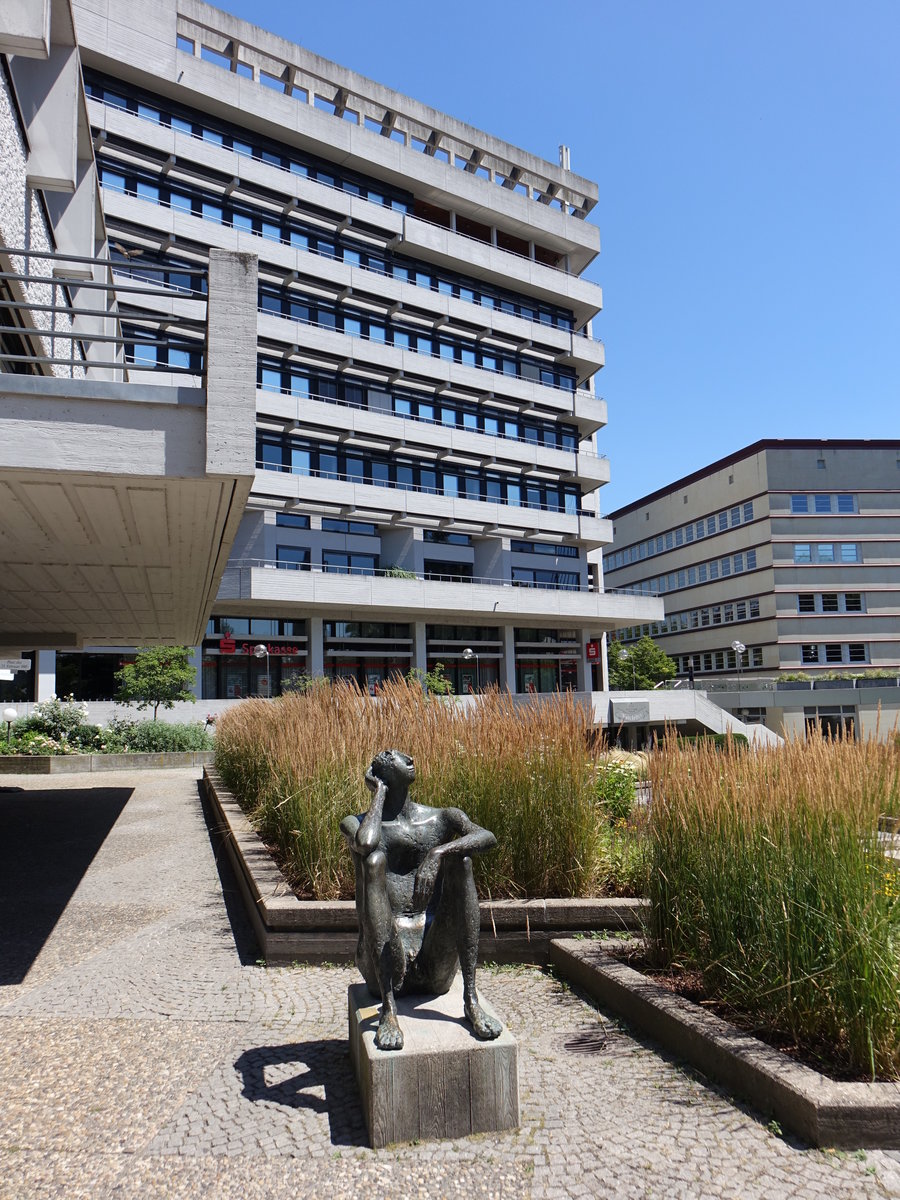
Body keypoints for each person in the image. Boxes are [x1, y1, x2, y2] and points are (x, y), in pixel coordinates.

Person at [341, 749, 502, 1051]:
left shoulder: (442, 817)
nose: (406, 756)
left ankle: (470, 998)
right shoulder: (357, 823)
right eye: (392, 755)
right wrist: (378, 796)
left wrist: (439, 852)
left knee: (462, 861)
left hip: (434, 959)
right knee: (374, 861)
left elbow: (487, 837)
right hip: (384, 964)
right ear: (380, 774)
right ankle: (389, 1010)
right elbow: (365, 843)